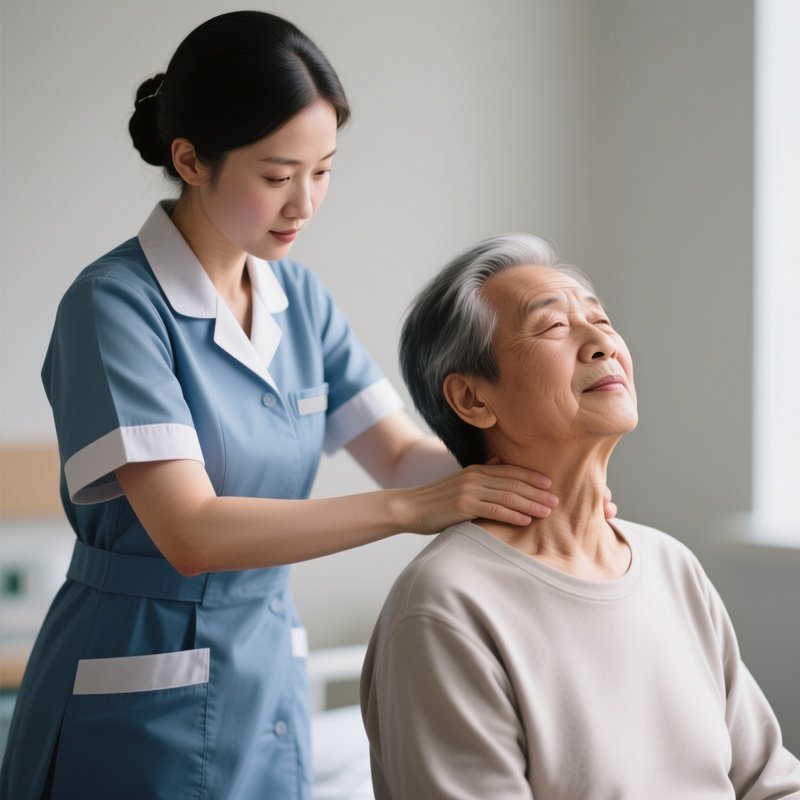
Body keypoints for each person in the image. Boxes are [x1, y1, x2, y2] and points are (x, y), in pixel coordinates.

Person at [0, 13, 587, 800]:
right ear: (190, 160)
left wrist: (542, 472)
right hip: (136, 677)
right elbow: (191, 532)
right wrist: (417, 508)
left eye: (324, 170)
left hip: (265, 664)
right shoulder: (116, 306)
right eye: (278, 176)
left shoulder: (298, 299)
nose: (305, 202)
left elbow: (403, 450)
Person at [360, 233, 800, 799]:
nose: (602, 343)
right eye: (553, 328)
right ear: (472, 399)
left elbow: (770, 782)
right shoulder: (445, 603)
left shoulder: (670, 564)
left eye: (602, 320)